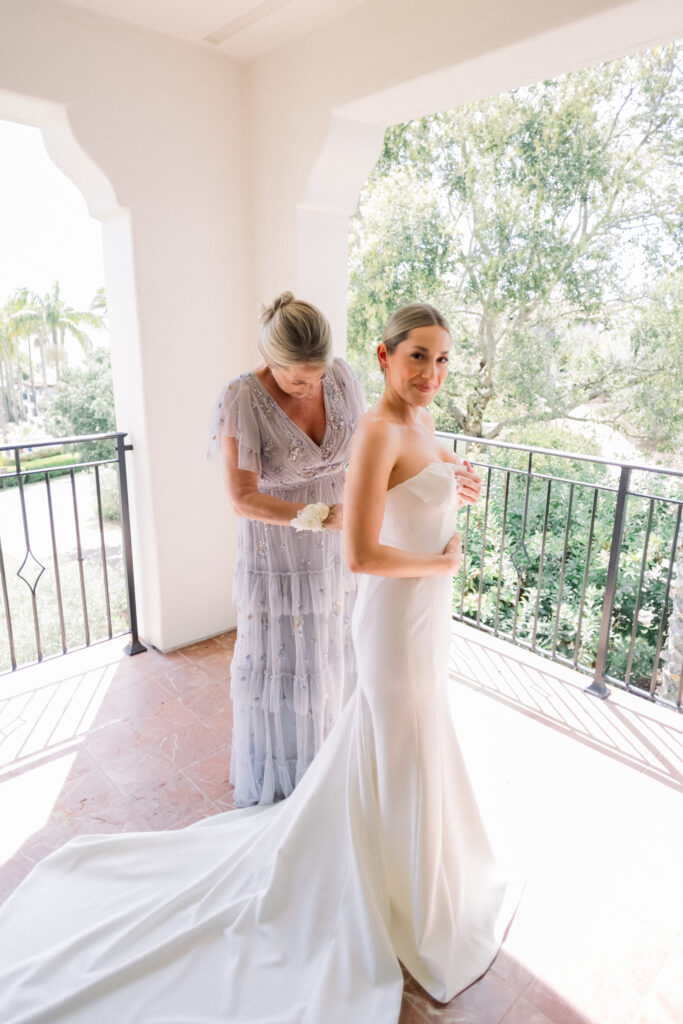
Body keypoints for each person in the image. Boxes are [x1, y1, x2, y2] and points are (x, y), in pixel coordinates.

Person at [0, 302, 517, 1024]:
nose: (431, 372)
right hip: (389, 602)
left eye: (442, 359)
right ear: (383, 356)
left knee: (401, 734)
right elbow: (356, 546)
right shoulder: (358, 424)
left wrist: (451, 479)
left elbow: (410, 481)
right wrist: (437, 561)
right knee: (384, 728)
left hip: (420, 614)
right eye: (418, 357)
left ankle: (411, 873)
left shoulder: (417, 420)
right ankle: (385, 889)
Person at [208, 291, 365, 806]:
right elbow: (242, 497)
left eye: (317, 374)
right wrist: (319, 517)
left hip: (337, 541)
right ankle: (286, 783)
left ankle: (332, 762)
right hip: (276, 548)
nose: (311, 384)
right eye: (298, 377)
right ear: (269, 359)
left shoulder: (341, 377)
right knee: (285, 662)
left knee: (335, 646)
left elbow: (364, 452)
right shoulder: (241, 398)